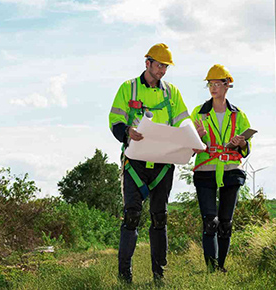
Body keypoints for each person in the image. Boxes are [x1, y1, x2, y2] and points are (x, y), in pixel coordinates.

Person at [108, 43, 191, 284]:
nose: (163, 71)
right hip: (136, 162)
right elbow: (115, 120)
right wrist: (127, 132)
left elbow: (184, 123)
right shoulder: (128, 88)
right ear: (147, 63)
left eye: (166, 67)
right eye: (159, 66)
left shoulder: (172, 93)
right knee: (132, 216)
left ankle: (159, 276)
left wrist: (193, 137)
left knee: (160, 217)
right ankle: (125, 276)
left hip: (164, 163)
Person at [190, 64, 252, 273]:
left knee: (225, 223)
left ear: (227, 86)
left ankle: (221, 267)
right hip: (206, 170)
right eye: (210, 84)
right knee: (210, 221)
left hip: (231, 170)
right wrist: (197, 136)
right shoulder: (198, 113)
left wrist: (242, 143)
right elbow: (188, 145)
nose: (213, 88)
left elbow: (246, 148)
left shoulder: (239, 115)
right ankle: (211, 268)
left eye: (217, 83)